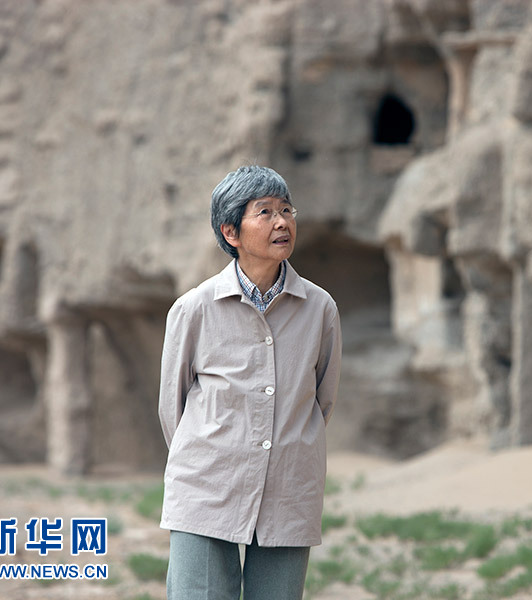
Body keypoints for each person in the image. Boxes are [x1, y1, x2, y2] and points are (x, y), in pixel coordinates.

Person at [158, 165, 342, 600]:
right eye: (265, 212)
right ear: (231, 232)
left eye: (287, 210)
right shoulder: (194, 308)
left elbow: (322, 399)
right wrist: (214, 454)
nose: (282, 222)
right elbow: (172, 407)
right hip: (207, 488)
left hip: (289, 488)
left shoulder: (319, 308)